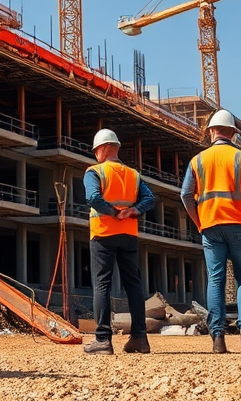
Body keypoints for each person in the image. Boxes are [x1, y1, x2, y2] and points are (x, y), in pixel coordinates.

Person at [180, 108, 241, 355]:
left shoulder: (198, 160)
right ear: (233, 133)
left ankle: (217, 339)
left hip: (210, 227)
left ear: (211, 132)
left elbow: (186, 194)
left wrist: (199, 221)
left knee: (216, 280)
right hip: (240, 224)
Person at [82, 128, 156, 355]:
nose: (96, 154)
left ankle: (103, 340)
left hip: (103, 234)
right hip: (128, 236)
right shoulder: (133, 174)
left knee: (102, 284)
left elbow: (93, 197)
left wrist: (114, 212)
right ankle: (140, 338)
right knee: (133, 285)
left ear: (103, 148)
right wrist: (132, 210)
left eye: (96, 150)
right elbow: (149, 199)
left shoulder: (94, 172)